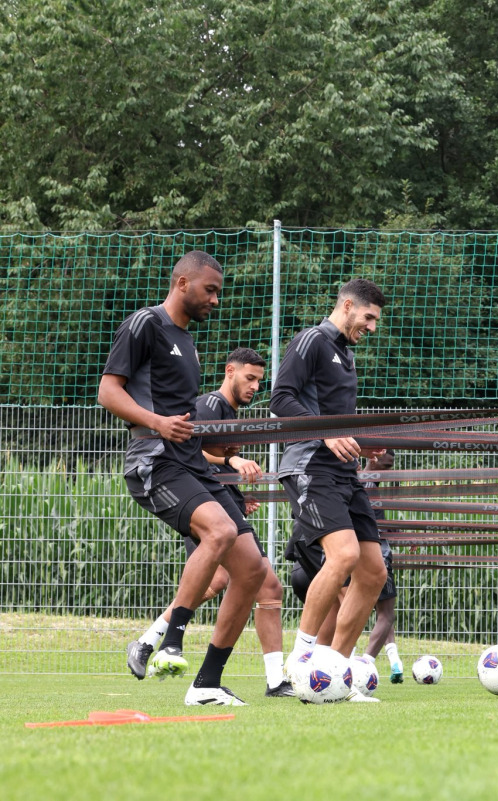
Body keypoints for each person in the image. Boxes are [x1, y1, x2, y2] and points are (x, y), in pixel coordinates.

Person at [99, 251, 267, 706]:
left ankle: (207, 685)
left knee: (253, 572)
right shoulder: (145, 324)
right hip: (154, 461)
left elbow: (187, 418)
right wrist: (156, 422)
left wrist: (222, 455)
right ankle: (168, 642)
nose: (216, 299)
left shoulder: (188, 343)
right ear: (181, 283)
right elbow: (108, 391)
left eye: (218, 292)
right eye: (209, 290)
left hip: (191, 463)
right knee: (220, 530)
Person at [125, 348, 294, 697]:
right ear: (229, 371)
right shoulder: (210, 405)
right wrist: (234, 462)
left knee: (265, 584)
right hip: (198, 499)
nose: (255, 387)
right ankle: (158, 642)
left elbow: (214, 461)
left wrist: (236, 489)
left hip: (217, 495)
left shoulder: (229, 411)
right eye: (250, 378)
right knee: (224, 578)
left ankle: (270, 680)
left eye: (260, 381)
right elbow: (189, 448)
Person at [272, 278, 389, 702]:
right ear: (347, 305)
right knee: (344, 556)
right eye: (369, 317)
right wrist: (326, 435)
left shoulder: (347, 354)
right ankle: (299, 663)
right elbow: (280, 399)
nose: (372, 327)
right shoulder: (312, 340)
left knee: (374, 573)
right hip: (310, 467)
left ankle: (334, 674)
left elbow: (335, 422)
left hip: (344, 472)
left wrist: (357, 439)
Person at [361, 449, 404, 683]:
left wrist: (398, 533)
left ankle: (394, 660)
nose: (389, 473)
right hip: (377, 554)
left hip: (364, 553)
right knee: (386, 613)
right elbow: (374, 527)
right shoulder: (367, 486)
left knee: (382, 612)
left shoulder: (366, 485)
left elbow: (378, 522)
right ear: (374, 458)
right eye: (387, 467)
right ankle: (365, 663)